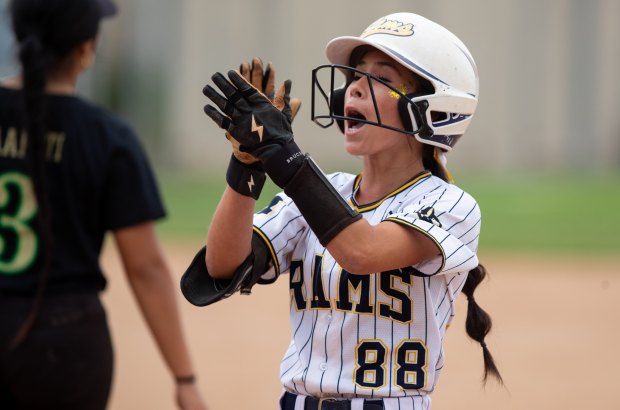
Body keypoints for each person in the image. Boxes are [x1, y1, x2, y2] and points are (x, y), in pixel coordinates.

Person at [182, 12, 502, 410]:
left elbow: (362, 252)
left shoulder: (449, 204)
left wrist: (284, 155)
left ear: (433, 107)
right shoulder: (324, 189)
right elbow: (222, 265)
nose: (353, 89)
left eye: (382, 79)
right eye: (354, 76)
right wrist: (248, 165)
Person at [0, 0, 207, 409]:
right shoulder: (107, 137)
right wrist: (184, 378)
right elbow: (145, 269)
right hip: (65, 345)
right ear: (86, 48)